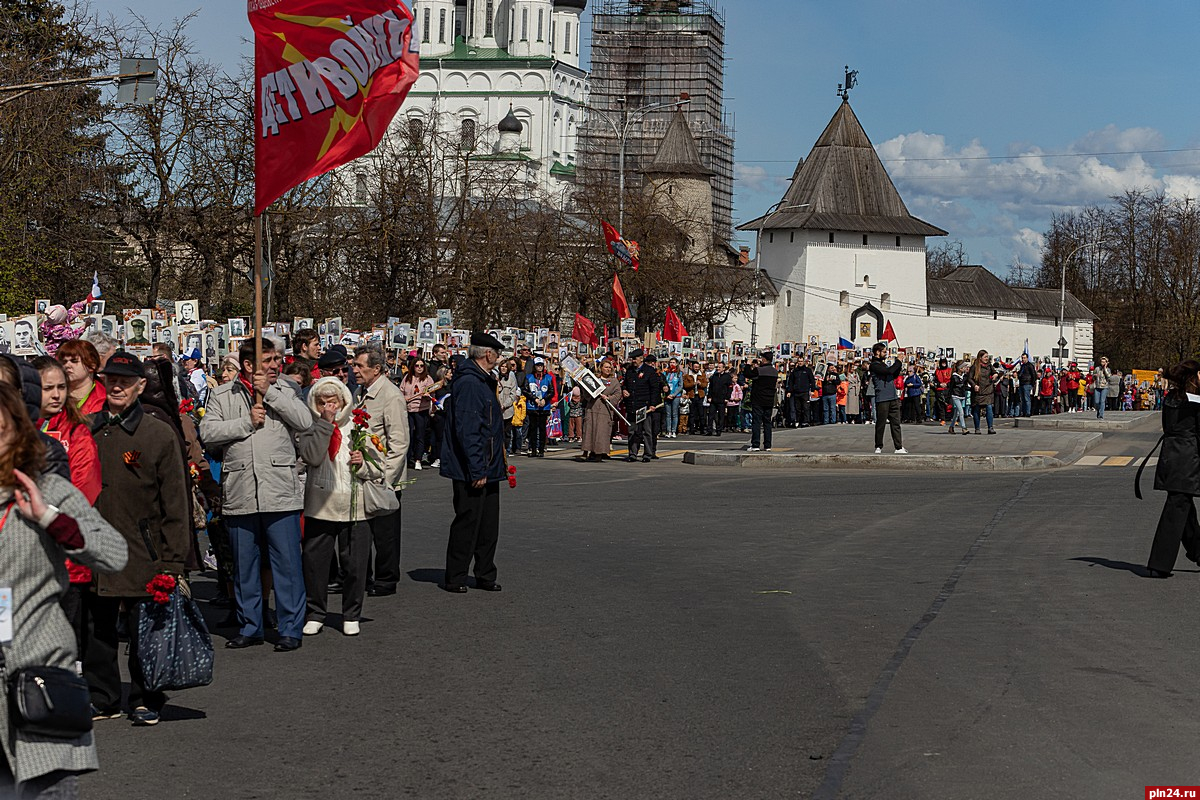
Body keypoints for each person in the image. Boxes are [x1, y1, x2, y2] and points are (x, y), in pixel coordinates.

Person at [0, 384, 127, 797]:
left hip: (36, 678)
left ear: (18, 433)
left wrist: (53, 520)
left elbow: (113, 554)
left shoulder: (47, 490)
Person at [86, 351, 191, 726]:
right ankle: (103, 697)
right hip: (95, 548)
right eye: (111, 379)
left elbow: (176, 503)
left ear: (140, 386)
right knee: (97, 631)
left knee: (143, 630)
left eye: (125, 381)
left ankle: (147, 695)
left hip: (142, 550)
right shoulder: (89, 428)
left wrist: (173, 562)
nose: (116, 386)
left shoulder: (157, 433)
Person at [200, 338, 312, 652]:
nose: (276, 364)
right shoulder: (222, 395)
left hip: (279, 489)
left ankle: (291, 627)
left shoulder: (287, 389)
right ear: (249, 365)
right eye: (269, 360)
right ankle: (251, 625)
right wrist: (244, 423)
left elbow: (304, 422)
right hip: (241, 491)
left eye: (278, 359)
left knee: (287, 565)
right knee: (245, 565)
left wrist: (272, 392)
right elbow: (208, 433)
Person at [296, 377, 381, 636]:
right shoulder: (311, 426)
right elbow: (310, 456)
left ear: (344, 400)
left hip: (354, 504)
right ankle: (316, 612)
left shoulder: (360, 425)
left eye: (332, 401)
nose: (328, 406)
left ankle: (351, 612)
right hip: (319, 504)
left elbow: (379, 465)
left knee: (355, 563)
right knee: (315, 563)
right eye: (322, 402)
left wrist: (363, 464)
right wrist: (325, 423)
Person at [439, 333, 507, 593]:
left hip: (489, 464)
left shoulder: (484, 380)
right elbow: (468, 430)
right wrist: (477, 469)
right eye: (496, 353)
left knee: (489, 524)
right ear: (486, 354)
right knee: (468, 521)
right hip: (472, 467)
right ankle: (455, 575)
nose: (498, 358)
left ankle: (485, 573)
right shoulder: (469, 382)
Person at [351, 346, 408, 597]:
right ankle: (363, 576)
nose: (355, 370)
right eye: (354, 365)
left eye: (359, 366)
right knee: (361, 530)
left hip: (383, 476)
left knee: (385, 533)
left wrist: (387, 479)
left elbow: (399, 442)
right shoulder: (359, 392)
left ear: (376, 369)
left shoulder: (390, 395)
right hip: (362, 472)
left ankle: (386, 579)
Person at [1145, 360, 1200, 578]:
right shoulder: (1195, 403)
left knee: (1184, 510)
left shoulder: (1170, 399)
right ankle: (1159, 563)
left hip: (1170, 457)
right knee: (1176, 509)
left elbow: (1168, 428)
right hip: (1189, 459)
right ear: (1193, 377)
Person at [580, 359, 622, 462]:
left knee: (602, 432)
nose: (608, 369)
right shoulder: (594, 379)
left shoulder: (614, 381)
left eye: (609, 367)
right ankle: (588, 451)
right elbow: (586, 391)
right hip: (592, 408)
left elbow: (618, 394)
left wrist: (609, 398)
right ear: (601, 368)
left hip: (605, 410)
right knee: (590, 430)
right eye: (606, 367)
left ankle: (600, 453)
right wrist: (591, 393)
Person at [623, 349, 661, 462]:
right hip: (632, 405)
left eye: (635, 358)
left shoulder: (649, 371)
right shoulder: (630, 370)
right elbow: (625, 384)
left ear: (641, 358)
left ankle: (648, 454)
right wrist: (624, 390)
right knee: (632, 431)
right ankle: (632, 453)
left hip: (644, 406)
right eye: (632, 359)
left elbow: (655, 389)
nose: (633, 361)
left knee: (646, 431)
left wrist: (653, 404)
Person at [869, 343, 906, 454]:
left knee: (896, 423)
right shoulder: (874, 365)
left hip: (893, 397)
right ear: (877, 352)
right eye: (884, 352)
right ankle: (878, 446)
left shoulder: (884, 364)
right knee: (881, 423)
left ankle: (898, 447)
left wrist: (899, 365)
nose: (886, 354)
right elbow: (888, 371)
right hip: (882, 398)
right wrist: (898, 361)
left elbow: (892, 374)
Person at [400, 358, 434, 471]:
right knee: (408, 435)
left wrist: (428, 396)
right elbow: (400, 391)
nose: (419, 368)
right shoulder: (407, 378)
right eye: (417, 366)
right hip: (409, 409)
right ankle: (408, 458)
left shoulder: (428, 379)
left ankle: (418, 459)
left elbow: (432, 393)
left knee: (420, 435)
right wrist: (404, 397)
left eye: (421, 366)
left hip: (421, 410)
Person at [58, 339, 107, 416]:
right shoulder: (52, 396)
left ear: (92, 365)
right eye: (64, 362)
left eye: (74, 361)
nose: (67, 365)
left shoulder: (106, 401)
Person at [745, 353, 778, 452]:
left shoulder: (759, 370)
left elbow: (747, 374)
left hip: (758, 399)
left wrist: (748, 364)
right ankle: (767, 445)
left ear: (764, 359)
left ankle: (755, 444)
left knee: (757, 422)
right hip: (769, 400)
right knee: (767, 422)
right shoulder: (774, 371)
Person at [524, 357, 554, 458]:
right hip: (532, 406)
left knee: (542, 428)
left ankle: (541, 449)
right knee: (532, 429)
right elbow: (525, 390)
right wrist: (534, 399)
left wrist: (545, 399)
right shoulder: (529, 377)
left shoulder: (548, 378)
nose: (539, 367)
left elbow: (551, 391)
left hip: (544, 407)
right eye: (537, 365)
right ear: (534, 366)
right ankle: (532, 449)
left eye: (541, 365)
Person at [969, 350, 997, 435]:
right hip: (978, 391)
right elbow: (969, 378)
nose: (986, 358)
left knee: (989, 408)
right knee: (977, 409)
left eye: (987, 357)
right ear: (980, 358)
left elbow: (994, 372)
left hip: (988, 390)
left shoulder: (989, 366)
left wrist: (995, 374)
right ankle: (977, 428)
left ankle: (990, 427)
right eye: (985, 357)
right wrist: (974, 385)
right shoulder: (974, 367)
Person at [706, 362, 732, 436]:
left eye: (719, 367)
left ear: (723, 368)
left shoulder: (727, 377)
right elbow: (711, 387)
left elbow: (730, 388)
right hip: (713, 399)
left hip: (722, 399)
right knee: (711, 415)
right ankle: (709, 430)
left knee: (721, 416)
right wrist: (709, 397)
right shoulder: (714, 376)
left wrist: (727, 398)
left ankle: (719, 430)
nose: (718, 368)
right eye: (717, 367)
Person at [948, 360, 969, 435]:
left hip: (962, 396)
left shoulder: (965, 376)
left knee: (956, 413)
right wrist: (948, 397)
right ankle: (964, 428)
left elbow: (966, 386)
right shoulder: (954, 377)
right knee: (961, 412)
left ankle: (951, 427)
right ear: (960, 368)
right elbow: (951, 387)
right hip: (955, 395)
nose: (966, 368)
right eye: (964, 367)